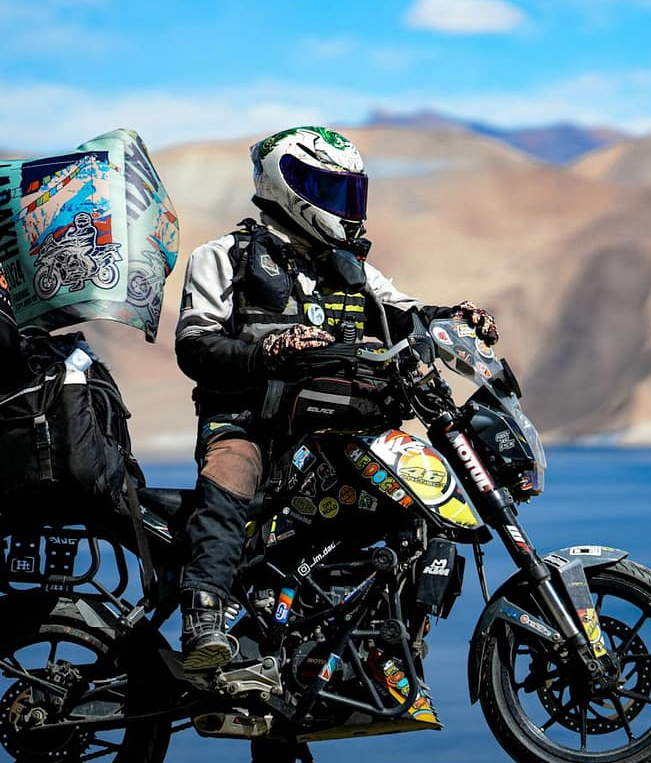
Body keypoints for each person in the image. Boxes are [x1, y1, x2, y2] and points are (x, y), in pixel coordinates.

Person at [172, 125, 498, 670]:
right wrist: (266, 352)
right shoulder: (225, 256)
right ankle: (202, 612)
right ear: (289, 187)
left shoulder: (353, 270)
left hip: (329, 432)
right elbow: (194, 346)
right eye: (330, 190)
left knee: (405, 505)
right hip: (247, 420)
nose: (344, 207)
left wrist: (456, 318)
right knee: (233, 465)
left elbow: (407, 312)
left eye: (349, 192)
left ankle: (361, 655)